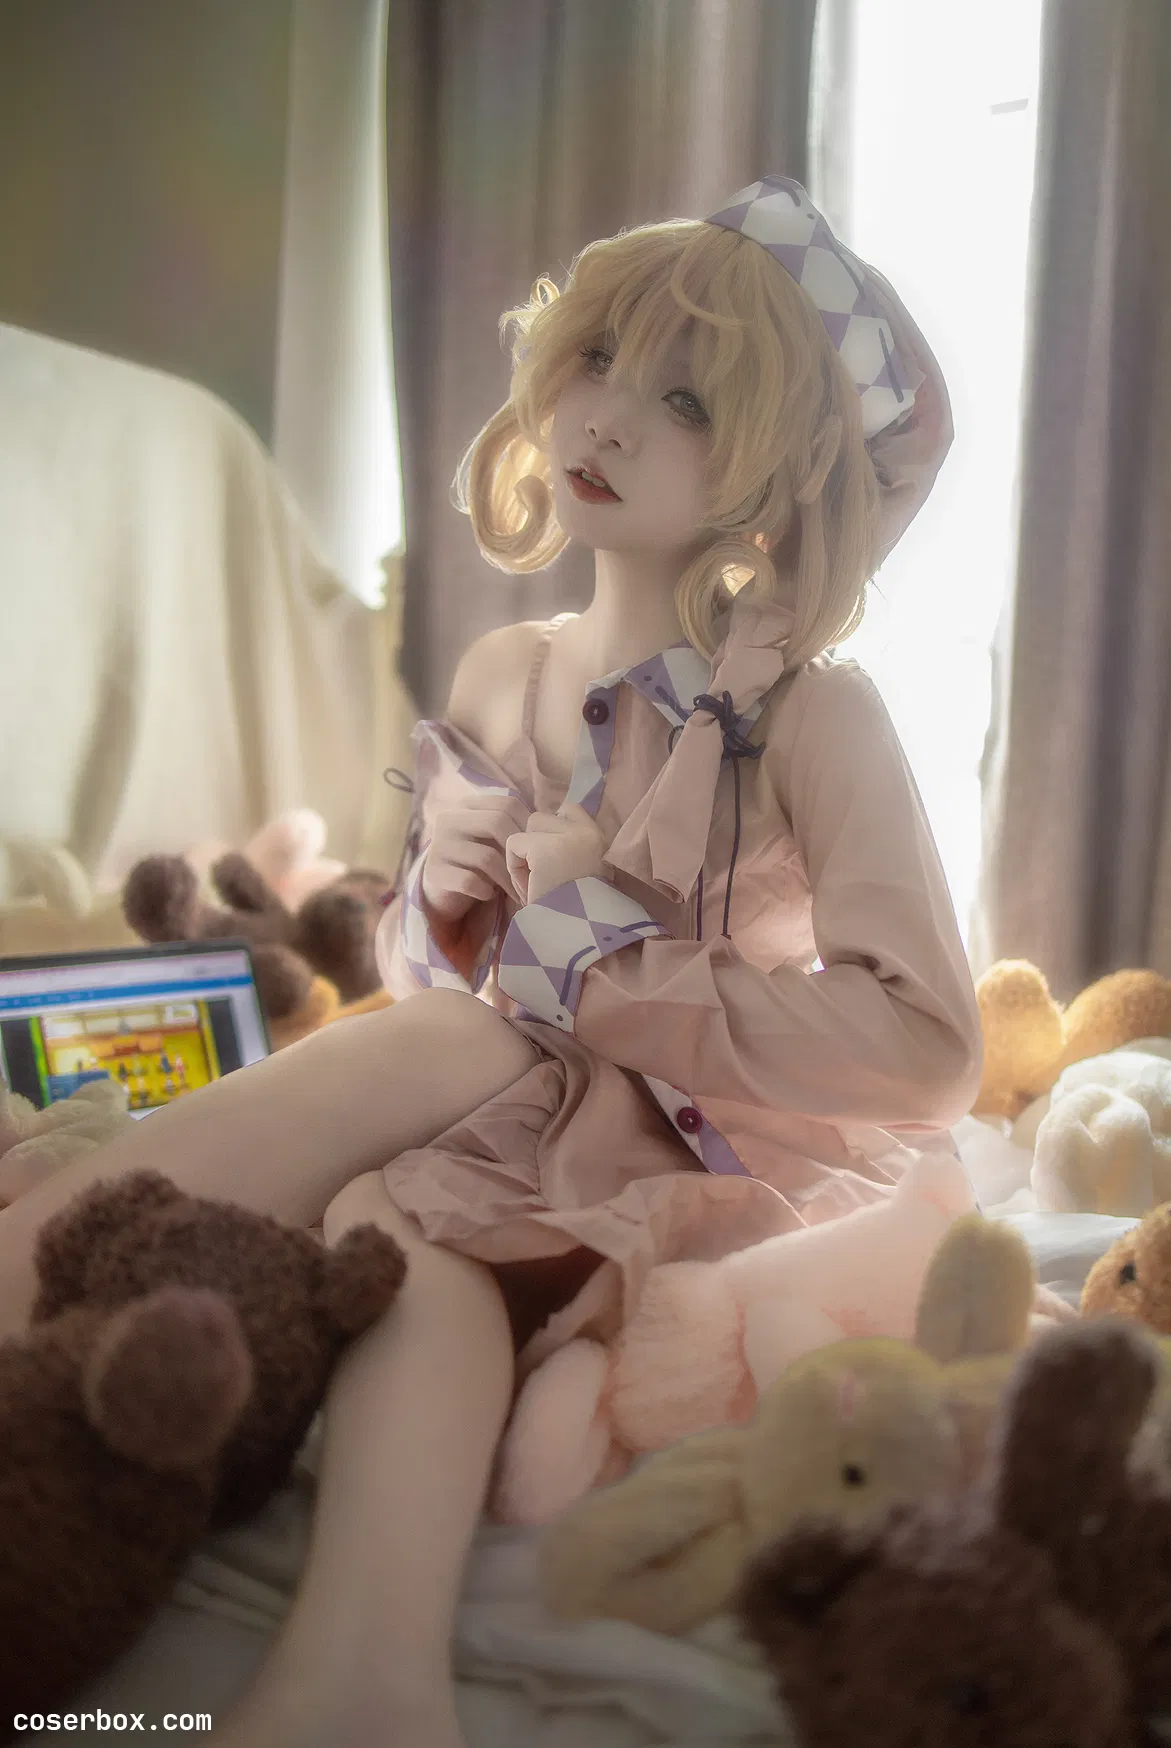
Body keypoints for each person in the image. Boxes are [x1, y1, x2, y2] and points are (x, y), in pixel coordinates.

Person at [0, 177, 982, 1748]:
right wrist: (438, 907)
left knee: (439, 1079)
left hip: (711, 1130)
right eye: (597, 360)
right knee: (395, 1201)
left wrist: (598, 961)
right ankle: (368, 1679)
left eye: (687, 401)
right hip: (503, 1123)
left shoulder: (812, 712)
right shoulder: (500, 671)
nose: (609, 418)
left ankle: (27, 1283)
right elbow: (441, 978)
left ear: (772, 475)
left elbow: (928, 1046)